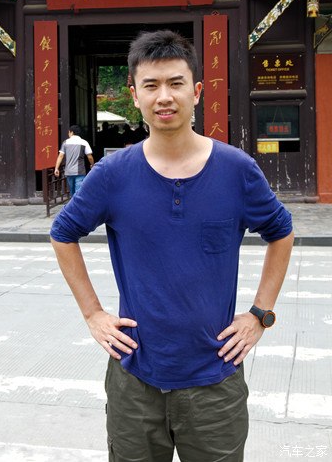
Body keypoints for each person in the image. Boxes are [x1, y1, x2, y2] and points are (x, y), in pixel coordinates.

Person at [51, 30, 294, 462]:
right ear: (135, 95)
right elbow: (63, 232)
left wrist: (261, 314)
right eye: (151, 85)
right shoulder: (113, 174)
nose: (164, 96)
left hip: (215, 382)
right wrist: (93, 313)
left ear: (196, 91)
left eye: (176, 83)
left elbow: (281, 230)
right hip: (135, 381)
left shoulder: (236, 170)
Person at [54, 124, 94, 196]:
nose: (68, 134)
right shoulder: (84, 142)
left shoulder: (65, 142)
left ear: (71, 132)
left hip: (69, 171)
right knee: (78, 192)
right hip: (80, 171)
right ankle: (77, 202)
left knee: (72, 192)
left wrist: (56, 168)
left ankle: (73, 202)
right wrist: (92, 164)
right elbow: (90, 157)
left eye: (68, 132)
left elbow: (61, 156)